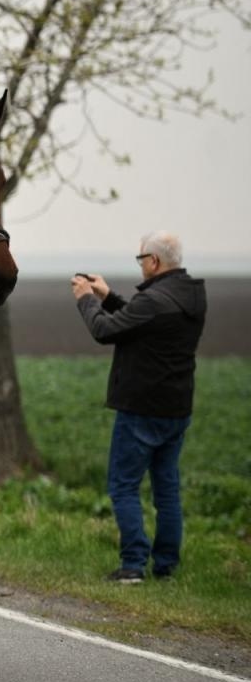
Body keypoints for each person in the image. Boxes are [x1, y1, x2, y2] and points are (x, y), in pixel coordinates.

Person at [72, 232, 207, 583]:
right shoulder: (190, 295)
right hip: (176, 409)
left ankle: (133, 564)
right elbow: (141, 322)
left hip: (141, 409)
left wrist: (87, 300)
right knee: (166, 489)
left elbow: (104, 330)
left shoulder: (156, 301)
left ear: (155, 261)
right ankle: (166, 566)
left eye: (140, 258)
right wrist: (109, 295)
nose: (140, 264)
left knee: (123, 486)